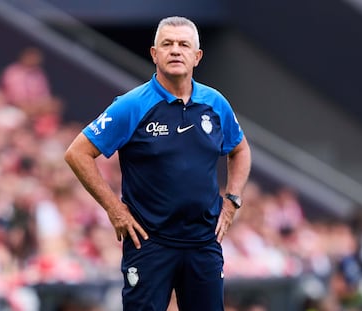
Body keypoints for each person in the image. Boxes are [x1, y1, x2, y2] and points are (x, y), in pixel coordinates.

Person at [64, 16, 252, 311]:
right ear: (154, 53)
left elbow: (240, 150)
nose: (175, 50)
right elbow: (77, 153)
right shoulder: (132, 104)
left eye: (183, 45)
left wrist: (232, 202)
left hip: (203, 241)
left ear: (197, 56)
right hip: (149, 243)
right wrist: (115, 211)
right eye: (167, 44)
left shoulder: (215, 104)